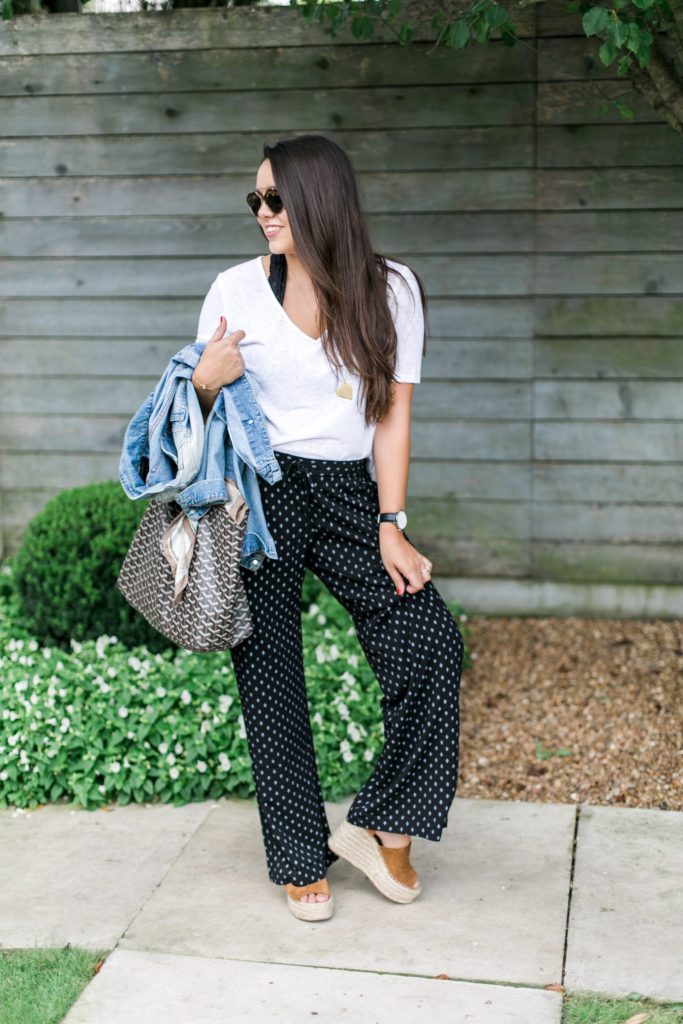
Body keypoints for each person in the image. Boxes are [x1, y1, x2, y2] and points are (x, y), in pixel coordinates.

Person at [189, 134, 465, 922]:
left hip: (350, 490)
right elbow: (195, 419)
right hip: (261, 490)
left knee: (429, 643)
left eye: (274, 200)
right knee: (270, 673)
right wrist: (206, 382)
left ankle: (383, 822)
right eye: (256, 202)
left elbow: (394, 415)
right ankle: (298, 855)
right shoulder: (233, 289)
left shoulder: (391, 290)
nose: (262, 214)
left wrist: (391, 520)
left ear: (318, 199)